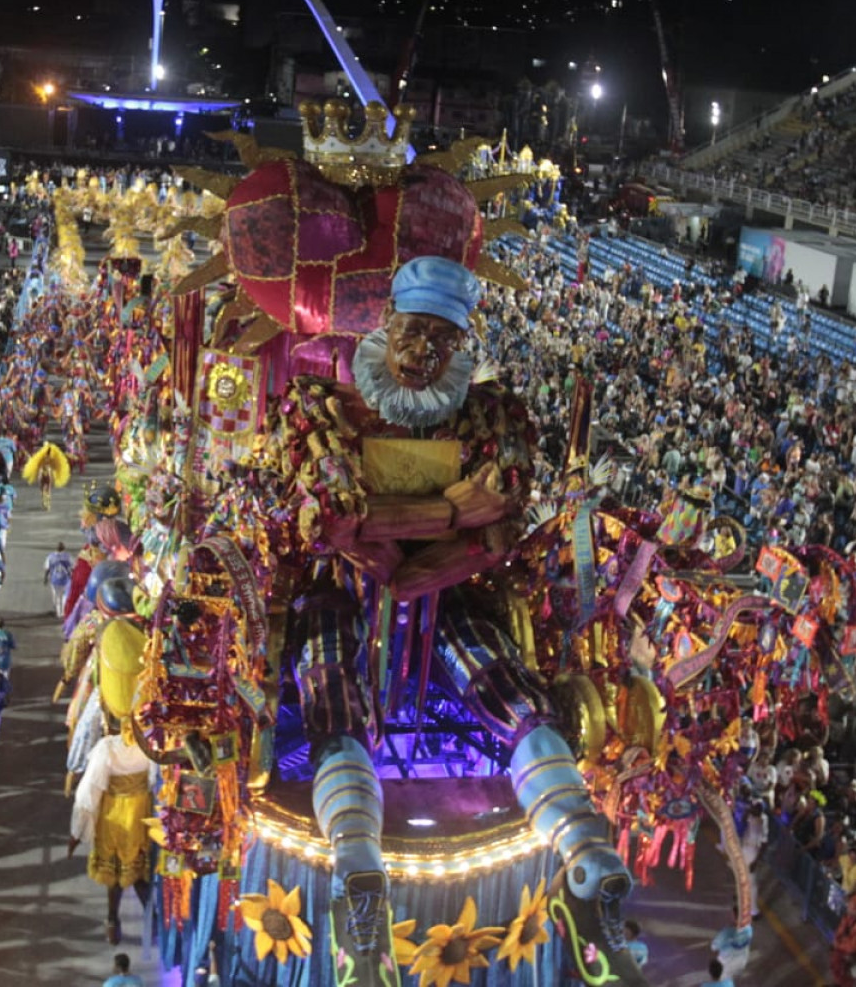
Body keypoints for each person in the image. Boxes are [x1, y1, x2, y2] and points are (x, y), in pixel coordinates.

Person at [271, 257, 638, 983]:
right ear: (385, 325)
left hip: (447, 595)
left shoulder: (489, 412)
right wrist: (449, 515)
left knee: (509, 689)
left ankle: (585, 853)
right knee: (334, 691)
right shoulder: (322, 405)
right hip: (350, 589)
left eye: (440, 340)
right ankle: (358, 865)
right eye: (412, 333)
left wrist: (405, 539)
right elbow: (334, 517)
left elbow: (497, 513)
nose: (421, 354)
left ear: (460, 344)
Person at [71, 724, 156, 946]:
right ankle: (153, 922)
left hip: (114, 815)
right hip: (141, 813)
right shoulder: (150, 742)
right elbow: (156, 779)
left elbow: (89, 791)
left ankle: (112, 921)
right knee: (140, 873)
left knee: (115, 875)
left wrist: (77, 832)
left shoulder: (107, 748)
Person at [44, 542, 74, 618]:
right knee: (65, 596)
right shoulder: (68, 556)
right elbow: (73, 568)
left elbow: (47, 569)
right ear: (64, 548)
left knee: (57, 597)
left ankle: (58, 612)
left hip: (55, 580)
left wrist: (45, 578)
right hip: (66, 580)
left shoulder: (50, 557)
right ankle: (64, 612)